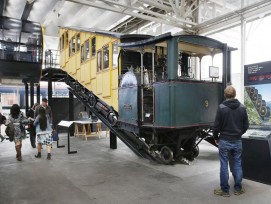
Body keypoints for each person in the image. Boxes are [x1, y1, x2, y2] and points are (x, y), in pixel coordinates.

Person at [213, 86, 249, 197]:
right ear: (235, 94)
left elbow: (216, 126)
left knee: (224, 165)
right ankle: (238, 189)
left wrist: (216, 137)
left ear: (225, 95)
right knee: (237, 164)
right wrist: (239, 133)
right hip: (237, 141)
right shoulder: (242, 108)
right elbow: (246, 125)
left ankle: (225, 191)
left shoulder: (221, 108)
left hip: (224, 140)